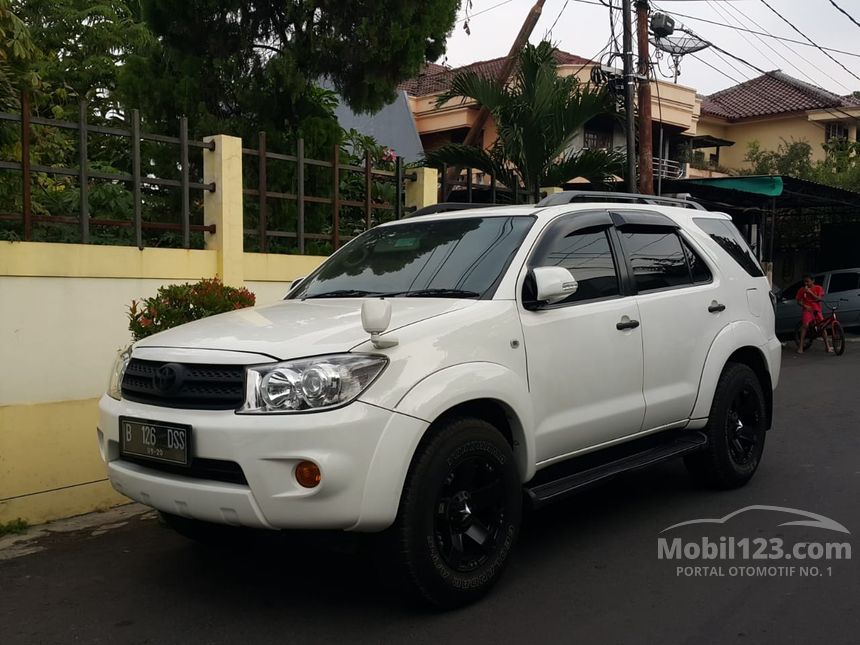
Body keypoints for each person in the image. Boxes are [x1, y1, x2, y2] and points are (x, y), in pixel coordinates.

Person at [796, 274, 832, 354]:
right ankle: (801, 347)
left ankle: (827, 347)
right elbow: (798, 301)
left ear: (813, 281)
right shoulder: (801, 290)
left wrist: (810, 292)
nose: (806, 283)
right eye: (804, 282)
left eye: (807, 281)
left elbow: (819, 299)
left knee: (822, 327)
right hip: (807, 310)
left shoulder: (818, 288)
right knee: (805, 326)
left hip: (817, 310)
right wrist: (805, 306)